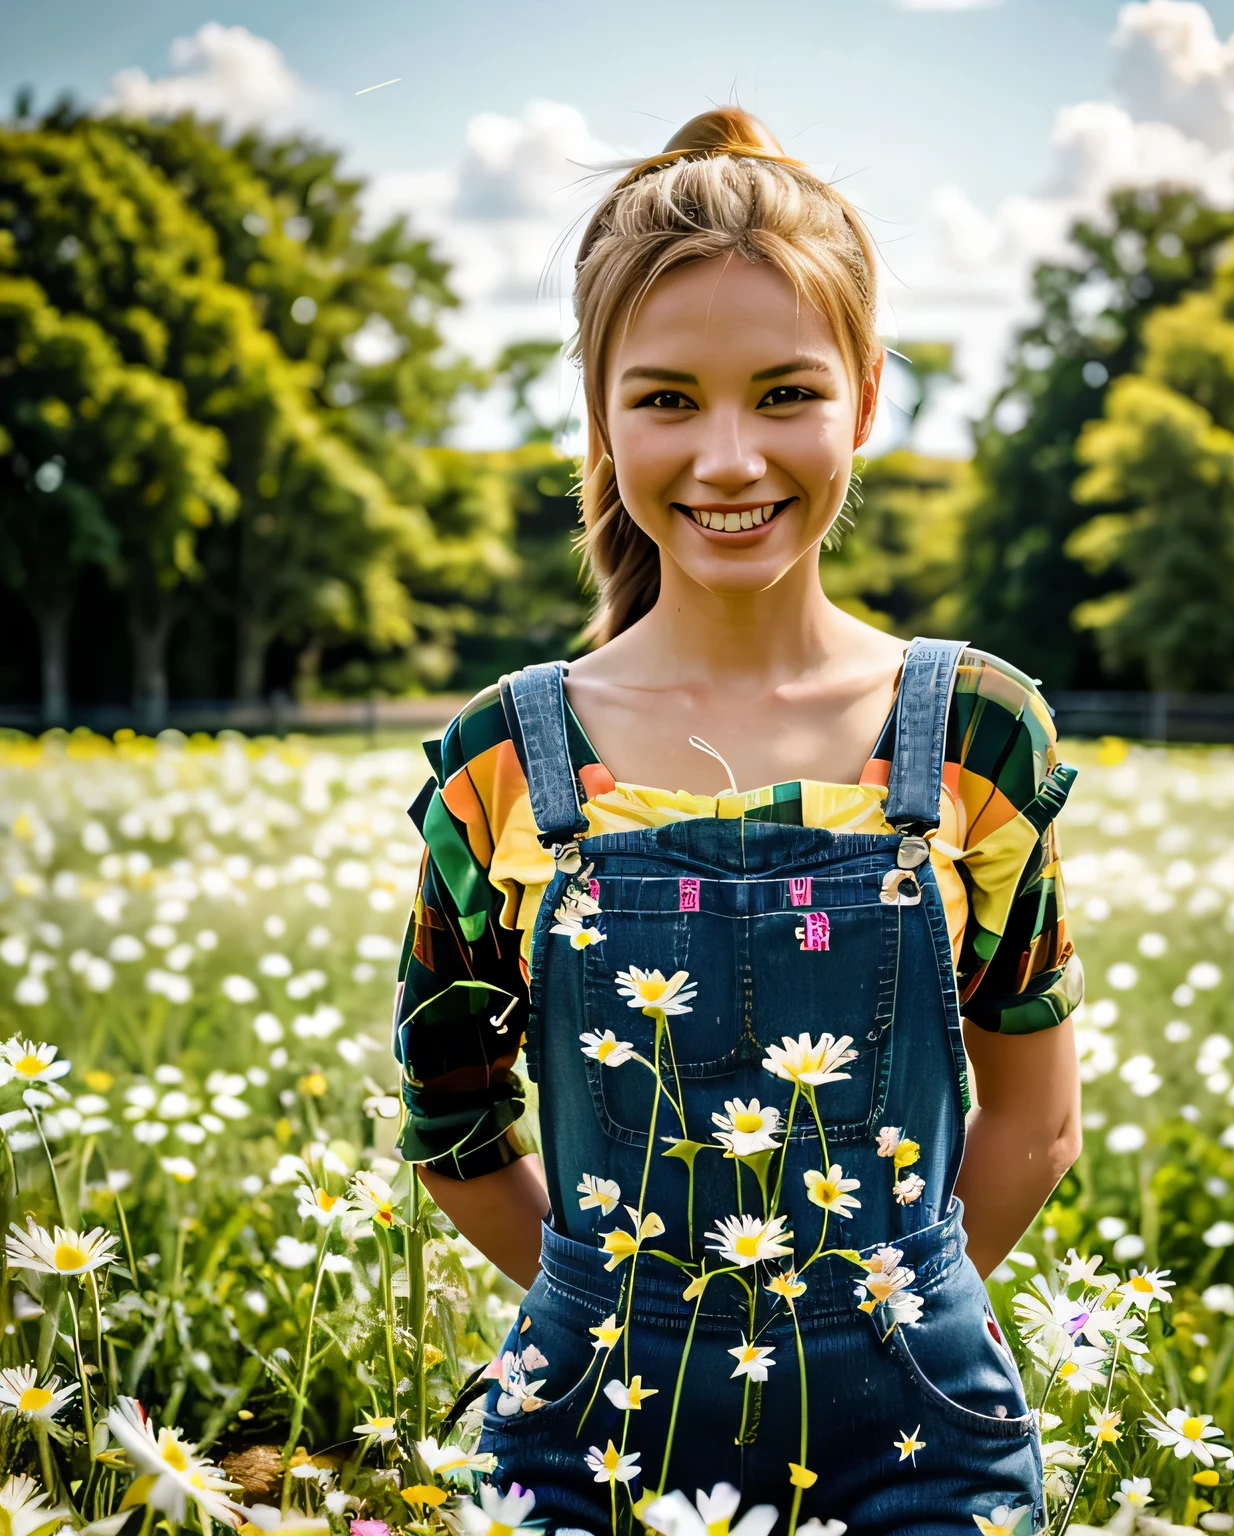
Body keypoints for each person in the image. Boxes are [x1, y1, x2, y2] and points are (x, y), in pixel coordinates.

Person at [392, 106, 1084, 1536]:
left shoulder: (974, 732)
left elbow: (1036, 1120)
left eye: (783, 394)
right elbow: (452, 1117)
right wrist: (623, 1318)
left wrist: (890, 1322)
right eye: (665, 400)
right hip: (584, 1437)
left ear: (869, 399)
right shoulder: (502, 762)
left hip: (923, 1440)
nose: (727, 458)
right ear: (598, 411)